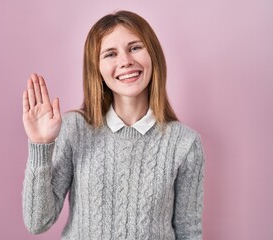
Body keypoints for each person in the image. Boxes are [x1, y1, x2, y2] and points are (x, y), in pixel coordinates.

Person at [22, 10, 205, 240]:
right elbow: (37, 222)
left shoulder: (185, 143)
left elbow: (189, 233)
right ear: (96, 68)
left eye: (135, 47)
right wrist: (41, 145)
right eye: (110, 54)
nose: (126, 61)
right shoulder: (74, 129)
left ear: (153, 55)